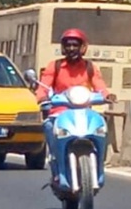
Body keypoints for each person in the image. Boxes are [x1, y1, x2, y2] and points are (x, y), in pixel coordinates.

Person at [35, 29, 115, 185]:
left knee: (101, 127)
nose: (71, 48)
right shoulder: (55, 66)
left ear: (82, 47)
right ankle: (56, 166)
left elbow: (99, 85)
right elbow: (43, 86)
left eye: (75, 45)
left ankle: (99, 167)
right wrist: (42, 97)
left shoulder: (90, 67)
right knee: (49, 126)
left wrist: (107, 95)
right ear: (63, 47)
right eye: (68, 45)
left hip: (84, 112)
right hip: (59, 112)